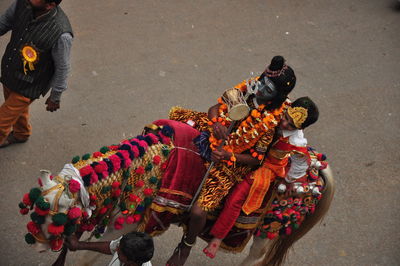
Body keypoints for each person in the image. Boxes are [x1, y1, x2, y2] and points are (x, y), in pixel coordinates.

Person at [166, 56, 297, 266]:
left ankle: (185, 246)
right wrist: (215, 122)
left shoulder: (271, 122)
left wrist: (230, 156)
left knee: (199, 211)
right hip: (215, 131)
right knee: (173, 119)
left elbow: (256, 159)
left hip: (232, 162)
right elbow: (214, 107)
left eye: (269, 88)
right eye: (263, 81)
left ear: (278, 96)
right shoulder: (248, 89)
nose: (262, 88)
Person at [203, 97, 320, 258]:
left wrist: (288, 179)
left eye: (291, 125)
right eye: (285, 118)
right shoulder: (279, 106)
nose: (284, 124)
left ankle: (217, 238)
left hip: (267, 167)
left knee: (237, 197)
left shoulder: (296, 143)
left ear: (299, 128)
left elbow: (299, 167)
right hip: (249, 144)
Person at [0, 0, 73, 148]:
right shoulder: (22, 3)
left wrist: (56, 96)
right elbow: (4, 22)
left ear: (50, 5)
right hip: (10, 71)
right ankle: (21, 133)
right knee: (14, 110)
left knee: (2, 122)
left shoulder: (61, 33)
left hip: (30, 85)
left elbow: (63, 68)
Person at [65, 232, 154, 266]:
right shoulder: (124, 244)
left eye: (119, 252)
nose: (117, 248)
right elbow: (109, 247)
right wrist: (79, 245)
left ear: (131, 262)